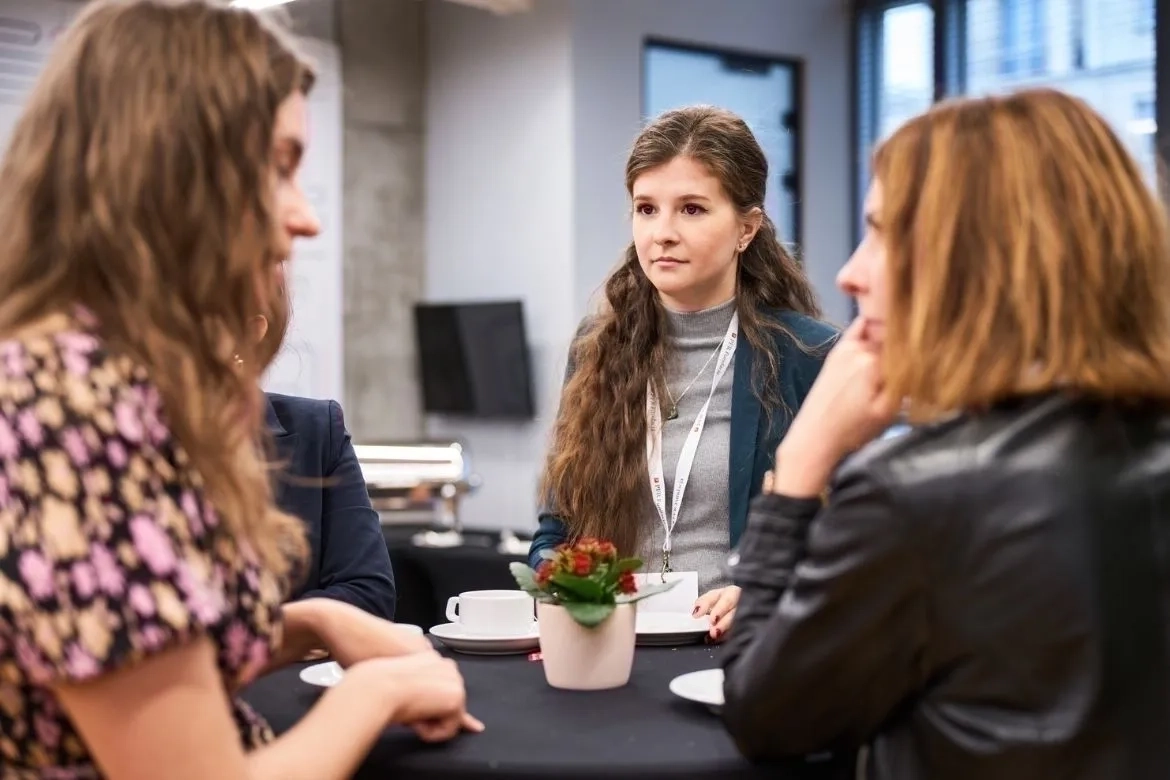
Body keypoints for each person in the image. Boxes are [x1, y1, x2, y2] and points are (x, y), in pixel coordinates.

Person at [0, 3, 480, 779]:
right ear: (172, 166)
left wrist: (312, 621)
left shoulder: (68, 378)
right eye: (281, 166)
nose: (305, 217)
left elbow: (139, 666)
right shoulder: (81, 413)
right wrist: (380, 692)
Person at [721, 87, 1170, 779]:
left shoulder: (919, 494)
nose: (850, 273)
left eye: (884, 232)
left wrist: (801, 469)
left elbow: (764, 715)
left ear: (985, 260)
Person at [528, 106, 836, 640]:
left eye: (691, 210)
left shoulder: (808, 356)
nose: (662, 233)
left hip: (741, 647)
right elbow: (555, 530)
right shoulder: (596, 349)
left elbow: (849, 540)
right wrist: (559, 583)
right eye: (646, 209)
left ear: (747, 227)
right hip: (612, 644)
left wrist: (768, 587)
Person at [255, 308, 397, 621]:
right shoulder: (138, 442)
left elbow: (369, 593)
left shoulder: (317, 430)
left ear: (254, 330)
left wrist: (258, 630)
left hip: (298, 671)